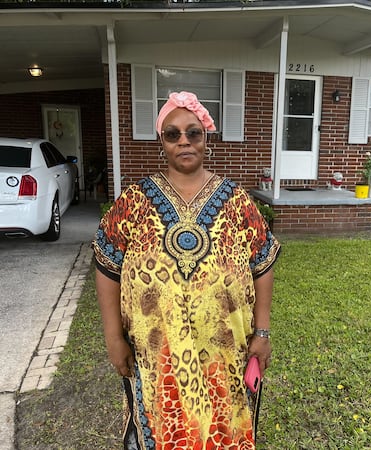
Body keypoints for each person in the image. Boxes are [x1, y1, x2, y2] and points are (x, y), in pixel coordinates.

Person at [92, 91, 281, 450]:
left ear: (206, 138)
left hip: (226, 354)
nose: (184, 141)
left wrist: (263, 331)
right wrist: (114, 338)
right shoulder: (134, 200)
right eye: (173, 133)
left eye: (193, 133)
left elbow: (262, 264)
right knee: (163, 431)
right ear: (161, 141)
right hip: (154, 356)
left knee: (223, 431)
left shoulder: (237, 200)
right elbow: (106, 267)